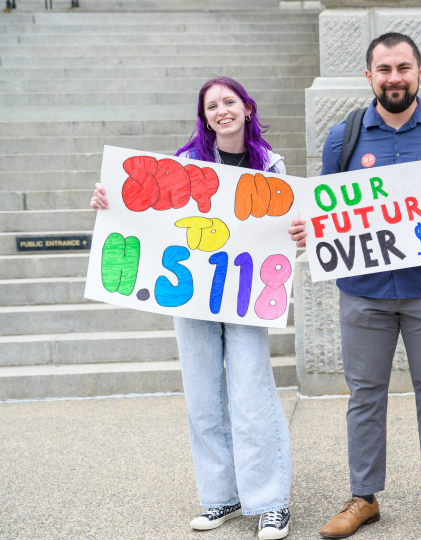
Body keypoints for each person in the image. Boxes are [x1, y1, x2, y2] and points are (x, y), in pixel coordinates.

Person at [287, 33, 421, 539]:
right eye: (384, 70)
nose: (394, 78)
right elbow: (324, 207)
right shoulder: (343, 137)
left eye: (403, 68)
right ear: (369, 77)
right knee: (365, 396)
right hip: (363, 293)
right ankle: (363, 498)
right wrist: (309, 227)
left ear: (420, 72)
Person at [90, 76, 293, 540]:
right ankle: (221, 495)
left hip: (243, 295)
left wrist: (296, 231)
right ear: (204, 117)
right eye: (211, 106)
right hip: (192, 293)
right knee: (203, 398)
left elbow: (282, 229)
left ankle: (270, 503)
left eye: (229, 102)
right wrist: (108, 202)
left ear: (247, 108)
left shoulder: (271, 165)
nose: (222, 111)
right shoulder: (184, 164)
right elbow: (147, 213)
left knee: (252, 397)